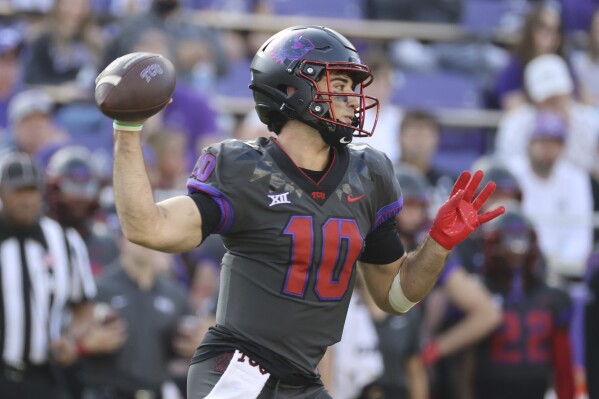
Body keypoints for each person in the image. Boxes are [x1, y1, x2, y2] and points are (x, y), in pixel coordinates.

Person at [108, 25, 504, 398]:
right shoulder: (244, 168)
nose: (353, 97)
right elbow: (148, 227)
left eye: (354, 86)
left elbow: (395, 297)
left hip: (303, 380)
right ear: (292, 85)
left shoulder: (370, 175)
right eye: (341, 83)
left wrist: (437, 245)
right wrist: (128, 130)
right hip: (237, 370)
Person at [0, 151, 97, 399]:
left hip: (44, 376)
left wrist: (71, 339)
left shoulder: (65, 241)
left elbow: (84, 309)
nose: (26, 200)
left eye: (31, 191)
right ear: (2, 192)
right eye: (17, 191)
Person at [79, 235, 202, 399]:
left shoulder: (176, 295)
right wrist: (86, 344)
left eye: (150, 234)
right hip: (107, 391)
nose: (145, 241)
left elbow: (192, 346)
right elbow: (71, 341)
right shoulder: (97, 289)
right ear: (120, 240)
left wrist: (192, 345)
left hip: (156, 391)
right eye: (137, 234)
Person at [473, 206, 575, 399]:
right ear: (491, 244)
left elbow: (563, 368)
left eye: (521, 239)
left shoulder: (554, 298)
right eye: (508, 240)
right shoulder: (474, 291)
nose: (516, 248)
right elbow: (462, 364)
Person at [494, 53, 599, 173]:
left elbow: (592, 167)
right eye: (548, 99)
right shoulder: (514, 124)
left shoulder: (588, 121)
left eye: (559, 96)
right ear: (534, 99)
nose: (555, 103)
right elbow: (509, 171)